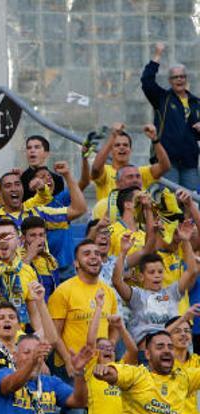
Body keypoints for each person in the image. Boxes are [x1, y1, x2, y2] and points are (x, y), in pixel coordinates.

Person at [93, 331, 200, 414]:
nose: (166, 350)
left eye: (170, 347)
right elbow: (115, 372)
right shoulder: (137, 375)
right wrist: (104, 370)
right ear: (148, 354)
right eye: (160, 347)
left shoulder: (184, 378)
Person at [48, 239, 118, 379]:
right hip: (72, 368)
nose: (93, 257)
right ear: (76, 263)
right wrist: (68, 361)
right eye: (87, 254)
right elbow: (54, 334)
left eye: (97, 254)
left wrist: (109, 351)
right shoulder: (63, 291)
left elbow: (114, 327)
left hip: (100, 368)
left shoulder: (108, 292)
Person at [113, 226, 198, 343]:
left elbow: (191, 271)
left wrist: (186, 240)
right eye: (151, 272)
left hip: (172, 348)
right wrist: (123, 253)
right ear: (142, 276)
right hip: (146, 353)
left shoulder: (172, 293)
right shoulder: (137, 295)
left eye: (160, 272)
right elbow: (117, 282)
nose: (157, 275)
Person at [142, 42, 200, 190]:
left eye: (182, 76)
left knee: (192, 203)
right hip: (167, 161)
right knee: (170, 202)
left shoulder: (196, 102)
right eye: (175, 77)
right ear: (170, 81)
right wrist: (158, 54)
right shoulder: (162, 98)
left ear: (186, 79)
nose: (179, 80)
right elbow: (147, 81)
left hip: (189, 162)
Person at [90, 123, 170, 219]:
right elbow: (95, 168)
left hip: (137, 228)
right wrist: (112, 136)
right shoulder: (106, 171)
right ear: (111, 150)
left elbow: (165, 166)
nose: (122, 147)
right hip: (109, 227)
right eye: (117, 145)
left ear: (130, 150)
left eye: (125, 145)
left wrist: (155, 139)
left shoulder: (137, 173)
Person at [168, 309, 200, 414]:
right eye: (177, 331)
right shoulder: (162, 363)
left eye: (187, 331)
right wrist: (185, 316)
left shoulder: (197, 361)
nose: (183, 334)